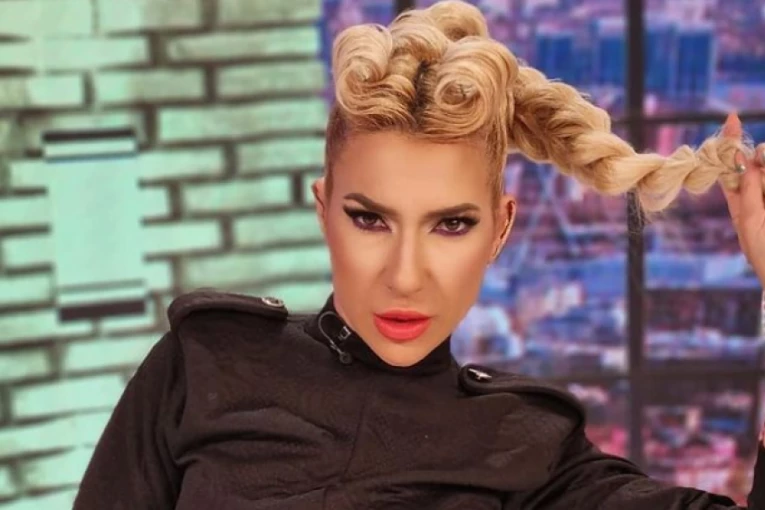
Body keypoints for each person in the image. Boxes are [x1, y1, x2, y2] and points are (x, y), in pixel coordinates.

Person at [73, 1, 765, 508]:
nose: (405, 275)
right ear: (323, 211)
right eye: (370, 219)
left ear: (500, 230)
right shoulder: (204, 365)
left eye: (451, 225)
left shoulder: (529, 446)